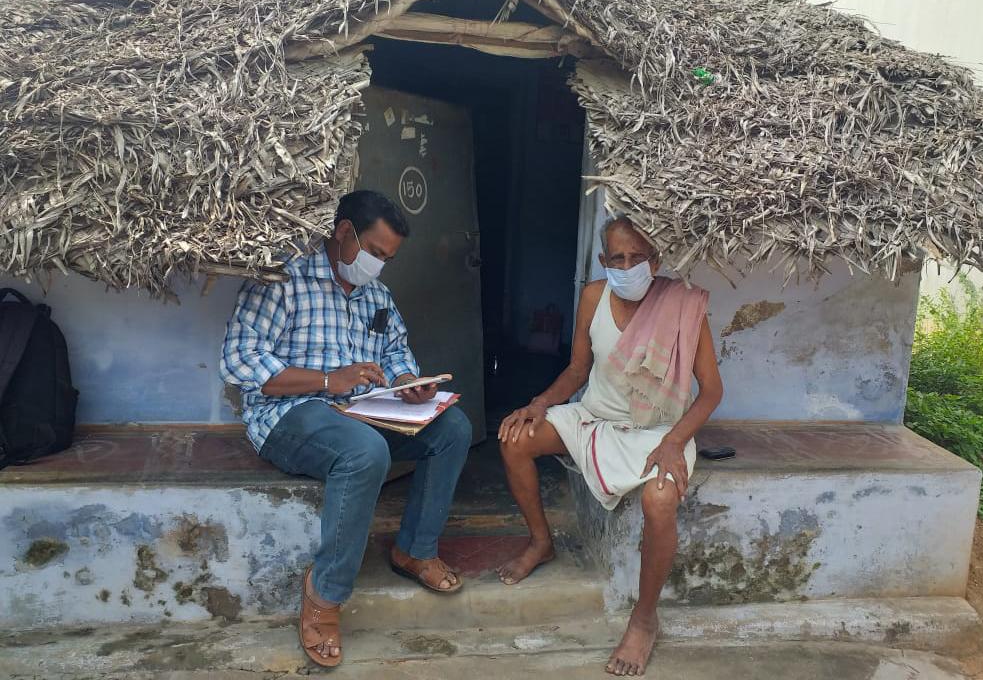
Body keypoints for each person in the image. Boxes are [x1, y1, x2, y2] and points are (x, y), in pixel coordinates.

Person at [219, 190, 471, 668]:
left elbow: (396, 353)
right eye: (374, 252)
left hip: (361, 410)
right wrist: (331, 380)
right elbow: (240, 360)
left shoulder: (377, 294)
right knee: (365, 453)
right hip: (290, 413)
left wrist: (407, 384)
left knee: (453, 427)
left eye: (387, 258)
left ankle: (414, 551)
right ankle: (325, 593)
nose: (378, 265)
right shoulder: (283, 280)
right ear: (343, 232)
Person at [495, 216, 723, 677]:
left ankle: (644, 619)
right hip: (595, 418)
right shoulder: (594, 296)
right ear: (603, 261)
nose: (627, 265)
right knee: (515, 438)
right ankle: (541, 543)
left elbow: (713, 391)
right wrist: (539, 403)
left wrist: (676, 441)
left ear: (655, 260)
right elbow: (578, 370)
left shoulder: (683, 306)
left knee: (660, 501)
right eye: (617, 258)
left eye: (638, 257)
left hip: (659, 431)